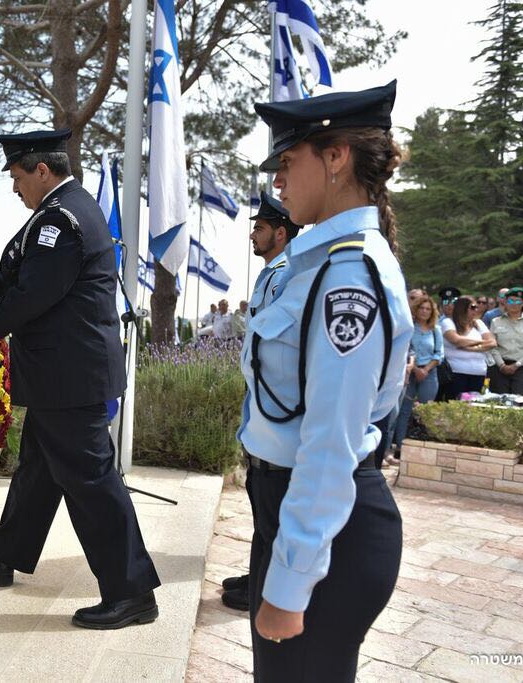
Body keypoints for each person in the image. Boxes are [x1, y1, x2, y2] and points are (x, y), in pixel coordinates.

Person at [0, 128, 160, 629]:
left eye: (17, 176)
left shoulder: (62, 218)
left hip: (71, 379)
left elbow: (36, 294)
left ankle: (132, 592)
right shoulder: (63, 210)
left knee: (93, 484)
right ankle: (4, 553)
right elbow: (30, 273)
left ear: (41, 170)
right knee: (38, 471)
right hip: (62, 378)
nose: (14, 188)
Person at [244, 81, 411, 680]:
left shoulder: (350, 277)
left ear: (336, 157)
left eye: (289, 162)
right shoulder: (319, 262)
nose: (279, 180)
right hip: (293, 515)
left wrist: (290, 581)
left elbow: (330, 443)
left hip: (328, 536)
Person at [222, 193, 303, 614]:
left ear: (280, 232)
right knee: (260, 499)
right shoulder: (271, 274)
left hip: (275, 406)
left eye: (259, 228)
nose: (253, 234)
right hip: (262, 403)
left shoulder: (285, 274)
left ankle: (269, 586)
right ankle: (261, 573)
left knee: (271, 504)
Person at [390, 294, 442, 462]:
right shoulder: (409, 327)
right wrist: (415, 369)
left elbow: (439, 353)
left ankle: (422, 445)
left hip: (429, 372)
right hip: (409, 372)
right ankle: (400, 446)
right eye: (422, 308)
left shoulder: (436, 329)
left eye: (428, 309)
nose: (425, 311)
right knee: (404, 410)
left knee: (426, 411)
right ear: (416, 309)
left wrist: (425, 369)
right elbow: (405, 348)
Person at [488, 286, 523, 394]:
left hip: (522, 367)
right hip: (499, 367)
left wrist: (517, 365)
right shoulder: (496, 322)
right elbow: (492, 346)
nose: (514, 303)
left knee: (519, 401)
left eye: (518, 301)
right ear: (505, 302)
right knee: (498, 402)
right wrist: (501, 365)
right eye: (511, 300)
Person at [441, 295, 497, 398]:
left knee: (475, 406)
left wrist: (471, 348)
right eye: (473, 307)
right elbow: (457, 340)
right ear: (462, 308)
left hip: (479, 373)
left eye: (476, 307)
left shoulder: (479, 323)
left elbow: (492, 343)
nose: (476, 309)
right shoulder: (448, 322)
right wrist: (481, 342)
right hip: (456, 373)